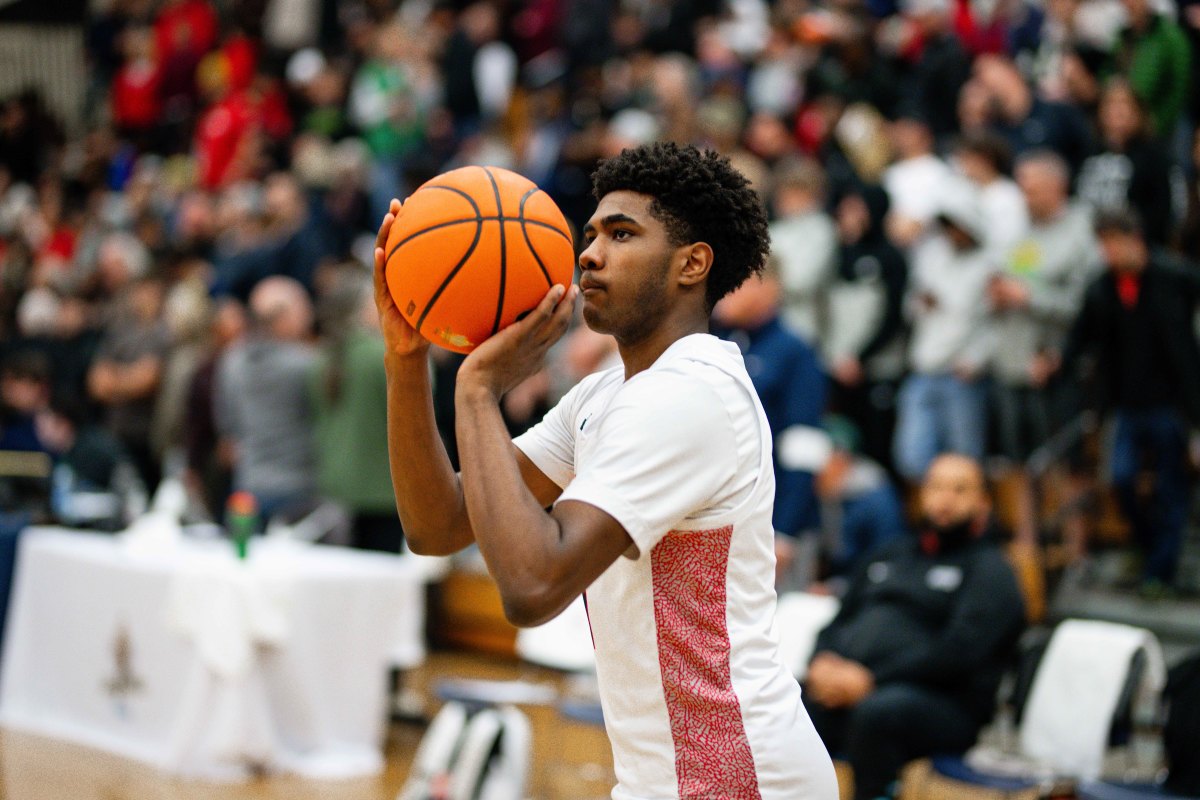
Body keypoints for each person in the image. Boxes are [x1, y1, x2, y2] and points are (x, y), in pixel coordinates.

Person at [375, 142, 838, 798]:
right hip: (665, 774)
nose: (589, 253)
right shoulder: (606, 392)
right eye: (589, 234)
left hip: (737, 776)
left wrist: (477, 392)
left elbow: (534, 586)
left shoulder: (690, 393)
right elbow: (441, 524)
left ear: (692, 264)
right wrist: (406, 360)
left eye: (622, 235)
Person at [804, 454, 1026, 800]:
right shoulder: (891, 553)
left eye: (960, 489)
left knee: (878, 713)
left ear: (983, 502)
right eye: (936, 486)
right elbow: (839, 619)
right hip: (858, 686)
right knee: (792, 700)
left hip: (944, 704)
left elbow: (958, 653)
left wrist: (871, 680)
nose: (945, 499)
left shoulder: (991, 571)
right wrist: (823, 663)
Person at [1055, 209, 1200, 594]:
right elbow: (1080, 338)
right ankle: (1148, 546)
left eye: (1114, 242)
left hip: (1172, 405)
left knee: (1172, 488)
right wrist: (1057, 364)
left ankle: (1160, 571)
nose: (1109, 252)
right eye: (1103, 244)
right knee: (1120, 480)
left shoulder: (1177, 277)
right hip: (1124, 405)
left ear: (1134, 238)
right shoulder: (1102, 286)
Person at [713, 258, 829, 589]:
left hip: (772, 525)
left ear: (769, 288)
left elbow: (804, 446)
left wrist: (786, 532)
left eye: (737, 282)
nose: (724, 292)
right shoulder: (713, 341)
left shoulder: (795, 352)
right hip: (721, 517)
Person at [214, 276, 318, 523]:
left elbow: (227, 427)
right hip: (301, 489)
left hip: (248, 484)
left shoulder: (232, 360)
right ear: (282, 317)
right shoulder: (307, 364)